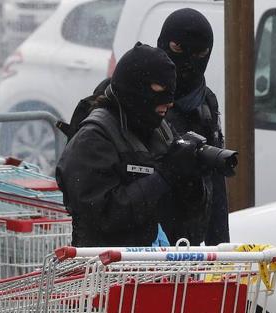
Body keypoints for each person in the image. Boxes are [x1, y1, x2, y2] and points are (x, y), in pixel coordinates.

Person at [56, 42, 203, 247]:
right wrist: (163, 176)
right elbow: (103, 215)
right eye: (160, 90)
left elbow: (186, 209)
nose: (168, 103)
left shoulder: (158, 129)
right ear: (135, 88)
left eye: (172, 92)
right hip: (105, 271)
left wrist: (192, 176)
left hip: (152, 266)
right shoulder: (92, 140)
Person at [157, 8, 230, 246]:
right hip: (142, 245)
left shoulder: (206, 103)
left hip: (190, 242)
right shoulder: (137, 95)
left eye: (199, 53)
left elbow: (217, 185)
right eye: (178, 49)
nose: (187, 63)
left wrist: (219, 253)